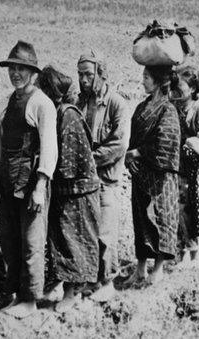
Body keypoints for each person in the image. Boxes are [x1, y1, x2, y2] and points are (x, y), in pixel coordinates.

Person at [0, 41, 57, 318]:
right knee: (9, 240)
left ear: (33, 72)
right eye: (12, 68)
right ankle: (16, 295)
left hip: (31, 184)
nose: (15, 73)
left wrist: (41, 185)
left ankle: (30, 301)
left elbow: (49, 147)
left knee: (31, 243)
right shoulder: (7, 104)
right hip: (7, 183)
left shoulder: (42, 103)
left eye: (22, 68)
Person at [35, 66, 102, 312]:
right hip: (68, 191)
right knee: (64, 241)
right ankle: (67, 287)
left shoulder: (68, 114)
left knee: (76, 243)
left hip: (78, 192)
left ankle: (74, 292)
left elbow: (69, 160)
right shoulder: (58, 112)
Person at [75, 52, 130, 302]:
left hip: (106, 181)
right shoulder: (79, 104)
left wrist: (87, 160)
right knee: (86, 233)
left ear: (101, 74)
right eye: (80, 74)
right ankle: (91, 280)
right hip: (84, 182)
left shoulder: (117, 104)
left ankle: (107, 282)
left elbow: (119, 144)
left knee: (106, 233)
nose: (84, 79)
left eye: (88, 74)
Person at [125, 65, 181, 283]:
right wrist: (130, 158)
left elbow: (166, 143)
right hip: (140, 173)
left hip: (160, 177)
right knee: (140, 219)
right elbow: (131, 137)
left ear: (158, 81)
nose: (143, 81)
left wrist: (138, 152)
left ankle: (158, 268)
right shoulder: (141, 107)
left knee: (161, 219)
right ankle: (140, 268)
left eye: (147, 77)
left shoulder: (168, 110)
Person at [170, 66, 199, 268]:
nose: (176, 90)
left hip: (195, 172)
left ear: (192, 89)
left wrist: (195, 143)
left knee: (194, 210)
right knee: (178, 210)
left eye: (180, 86)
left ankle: (196, 254)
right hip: (177, 168)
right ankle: (183, 253)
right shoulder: (173, 107)